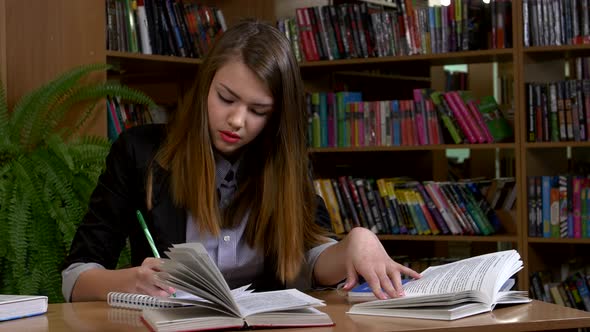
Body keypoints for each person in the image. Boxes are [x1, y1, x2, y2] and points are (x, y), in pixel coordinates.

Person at [62, 19, 420, 303]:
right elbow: (75, 276)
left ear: (276, 117)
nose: (237, 120)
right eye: (226, 98)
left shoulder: (283, 162)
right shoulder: (138, 152)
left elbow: (310, 260)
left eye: (258, 110)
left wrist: (354, 244)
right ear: (205, 86)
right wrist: (126, 282)